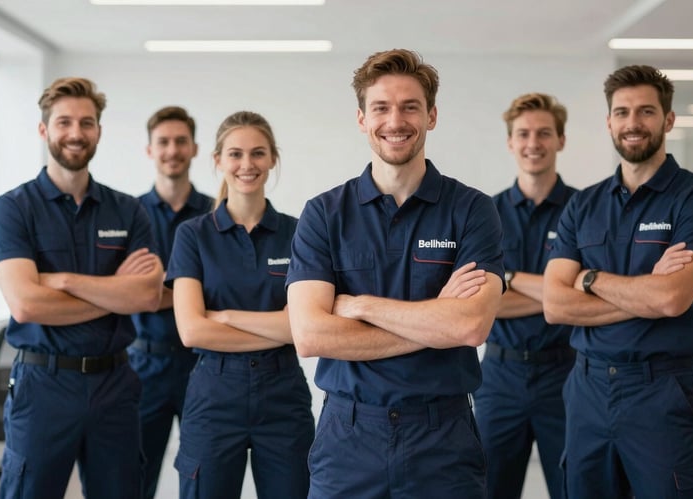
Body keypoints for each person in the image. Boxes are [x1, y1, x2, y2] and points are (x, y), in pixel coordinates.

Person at [286, 48, 504, 498]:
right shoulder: (325, 214)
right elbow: (310, 335)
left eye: (410, 107)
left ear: (432, 116)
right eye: (381, 108)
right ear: (362, 119)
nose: (395, 121)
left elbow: (470, 325)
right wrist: (435, 320)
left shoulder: (472, 211)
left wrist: (361, 306)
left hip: (442, 437)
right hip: (348, 435)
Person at [543, 65, 693, 498]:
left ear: (668, 119)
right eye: (622, 112)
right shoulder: (582, 206)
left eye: (646, 111)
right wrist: (642, 291)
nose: (633, 123)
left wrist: (587, 278)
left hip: (660, 390)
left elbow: (671, 298)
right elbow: (555, 305)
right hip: (586, 390)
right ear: (609, 121)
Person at [0, 77, 164, 498]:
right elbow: (27, 304)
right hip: (43, 383)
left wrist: (64, 282)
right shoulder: (13, 209)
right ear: (44, 129)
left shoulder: (129, 209)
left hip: (115, 382)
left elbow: (146, 296)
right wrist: (114, 290)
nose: (76, 133)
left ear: (99, 131)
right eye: (64, 122)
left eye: (87, 123)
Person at [167, 110, 315, 499]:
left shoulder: (299, 233)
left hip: (283, 394)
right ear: (217, 160)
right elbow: (192, 330)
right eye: (235, 154)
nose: (246, 164)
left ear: (272, 159)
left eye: (258, 153)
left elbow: (304, 330)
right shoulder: (193, 235)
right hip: (214, 395)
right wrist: (279, 326)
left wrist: (228, 317)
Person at [473, 92, 577, 499]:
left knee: (575, 487)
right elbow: (482, 301)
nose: (533, 143)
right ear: (510, 142)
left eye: (544, 133)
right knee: (490, 490)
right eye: (524, 134)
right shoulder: (484, 213)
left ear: (561, 141)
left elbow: (595, 293)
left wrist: (511, 277)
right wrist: (561, 295)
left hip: (566, 377)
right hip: (500, 379)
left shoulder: (583, 209)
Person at [130, 106, 214, 499]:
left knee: (202, 474)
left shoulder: (218, 213)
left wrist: (158, 293)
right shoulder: (130, 214)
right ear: (150, 150)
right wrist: (190, 295)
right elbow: (131, 294)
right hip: (144, 366)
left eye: (181, 141)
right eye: (163, 142)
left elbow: (224, 291)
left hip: (203, 364)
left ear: (195, 148)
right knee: (136, 473)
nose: (172, 150)